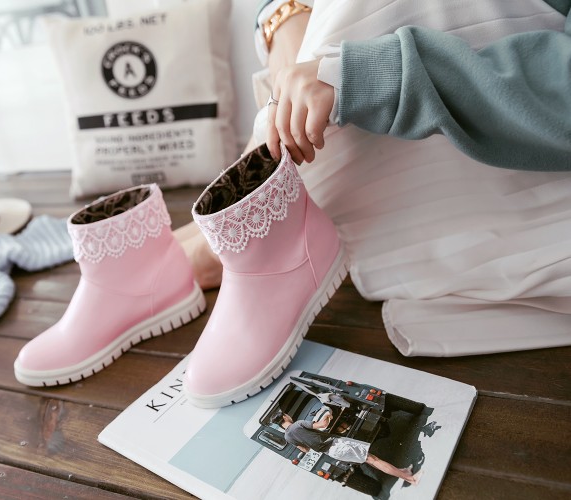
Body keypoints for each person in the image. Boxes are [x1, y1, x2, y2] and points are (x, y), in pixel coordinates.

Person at [176, 0, 571, 357]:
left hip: (519, 146)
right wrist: (284, 18)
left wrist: (363, 75)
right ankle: (232, 237)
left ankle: (237, 245)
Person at [275, 412, 422, 485]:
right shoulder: (298, 424)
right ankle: (410, 478)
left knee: (369, 460)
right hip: (337, 444)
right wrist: (327, 415)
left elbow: (306, 450)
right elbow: (322, 425)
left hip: (331, 452)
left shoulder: (288, 438)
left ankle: (404, 472)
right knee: (374, 460)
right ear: (285, 417)